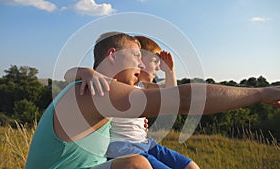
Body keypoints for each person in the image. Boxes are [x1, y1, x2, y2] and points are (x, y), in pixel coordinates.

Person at [26, 31, 280, 169]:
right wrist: (260, 93)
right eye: (136, 55)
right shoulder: (94, 91)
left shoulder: (92, 87)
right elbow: (183, 99)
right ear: (112, 55)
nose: (141, 62)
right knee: (136, 165)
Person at [65, 35, 197, 169]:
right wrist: (87, 72)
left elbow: (171, 97)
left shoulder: (141, 87)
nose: (158, 68)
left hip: (145, 143)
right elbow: (68, 75)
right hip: (124, 148)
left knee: (190, 166)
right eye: (154, 61)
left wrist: (170, 72)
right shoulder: (108, 84)